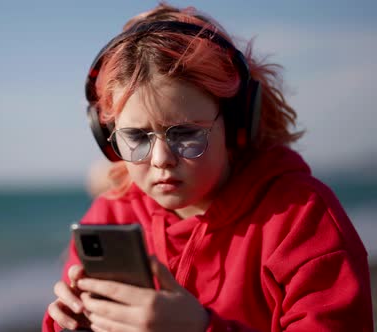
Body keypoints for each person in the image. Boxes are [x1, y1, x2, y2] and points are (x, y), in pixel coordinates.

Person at [43, 3, 373, 331]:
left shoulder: (300, 218)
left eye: (185, 133)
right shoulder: (110, 216)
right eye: (136, 137)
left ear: (237, 123)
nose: (160, 159)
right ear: (107, 137)